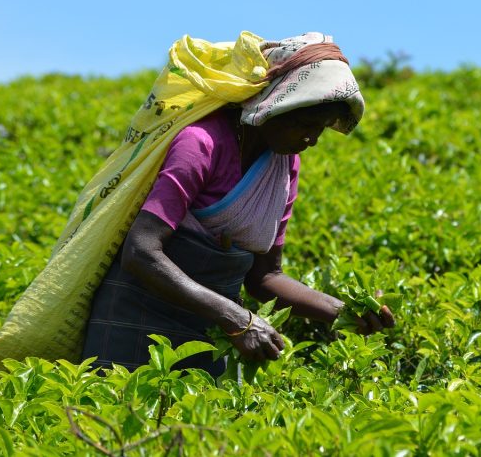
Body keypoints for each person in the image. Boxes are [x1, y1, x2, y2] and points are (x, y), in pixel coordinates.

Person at [79, 32, 395, 376]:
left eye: (320, 129)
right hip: (134, 320)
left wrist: (343, 310)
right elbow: (141, 251)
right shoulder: (201, 144)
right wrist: (236, 318)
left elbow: (265, 276)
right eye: (304, 124)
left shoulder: (284, 165)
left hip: (210, 330)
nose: (312, 140)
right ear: (275, 104)